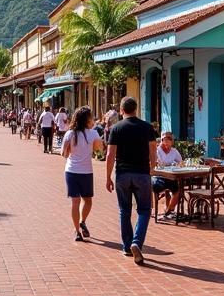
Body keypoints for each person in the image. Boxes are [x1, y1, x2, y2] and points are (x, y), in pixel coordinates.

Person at [105, 96, 158, 265]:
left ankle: (127, 246)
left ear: (121, 110)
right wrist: (152, 168)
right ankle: (137, 242)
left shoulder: (116, 128)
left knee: (124, 211)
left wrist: (108, 177)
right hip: (142, 173)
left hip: (122, 174)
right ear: (136, 109)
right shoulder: (147, 128)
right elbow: (153, 152)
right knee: (144, 210)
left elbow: (110, 155)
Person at [62, 106, 103, 242]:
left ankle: (77, 231)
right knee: (88, 201)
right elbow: (99, 150)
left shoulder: (70, 133)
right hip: (86, 171)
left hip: (71, 171)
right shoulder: (93, 133)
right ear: (87, 119)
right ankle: (82, 221)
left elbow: (64, 154)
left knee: (75, 202)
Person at [153, 131, 184, 220]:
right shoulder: (157, 150)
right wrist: (172, 164)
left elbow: (181, 162)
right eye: (165, 138)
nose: (167, 140)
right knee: (167, 187)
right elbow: (160, 164)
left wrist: (178, 164)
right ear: (161, 140)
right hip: (158, 177)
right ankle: (167, 211)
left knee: (178, 191)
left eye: (169, 138)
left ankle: (168, 211)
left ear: (172, 141)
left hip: (170, 177)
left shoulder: (174, 151)